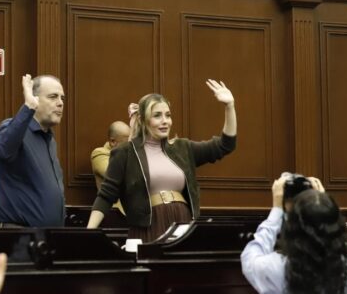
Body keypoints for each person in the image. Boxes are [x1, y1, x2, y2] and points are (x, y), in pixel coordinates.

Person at [87, 80, 237, 241]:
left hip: (182, 223)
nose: (165, 120)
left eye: (168, 115)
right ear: (143, 120)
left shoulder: (183, 148)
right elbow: (106, 196)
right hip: (148, 226)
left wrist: (229, 107)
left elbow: (225, 145)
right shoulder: (126, 153)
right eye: (157, 115)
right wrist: (88, 234)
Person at [0, 74, 66, 227]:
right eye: (53, 97)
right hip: (18, 235)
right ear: (34, 98)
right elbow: (2, 152)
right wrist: (28, 108)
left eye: (62, 98)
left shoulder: (49, 139)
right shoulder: (11, 128)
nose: (60, 103)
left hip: (47, 236)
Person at [91, 121, 130, 214]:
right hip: (115, 212)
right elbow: (117, 175)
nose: (130, 147)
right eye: (127, 143)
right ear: (113, 142)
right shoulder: (99, 154)